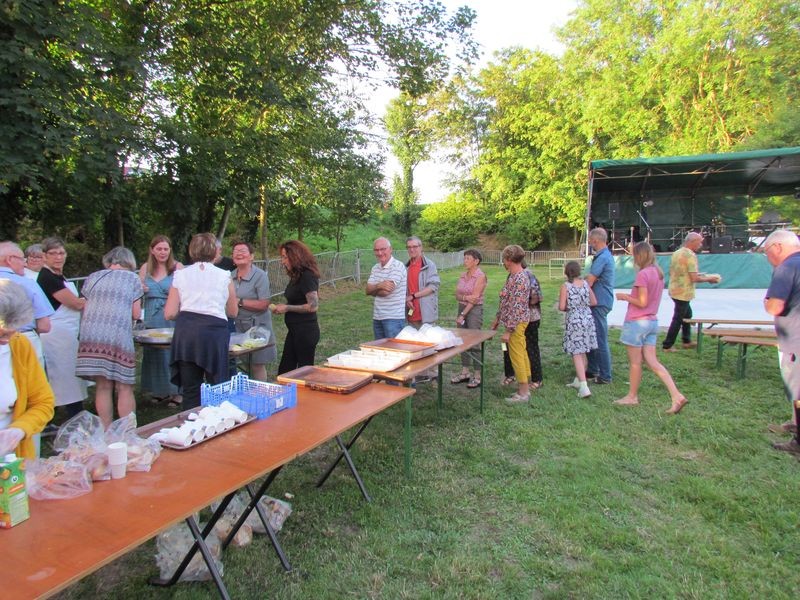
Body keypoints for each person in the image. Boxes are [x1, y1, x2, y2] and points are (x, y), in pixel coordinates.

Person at [165, 233, 238, 410]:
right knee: (217, 386)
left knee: (191, 389)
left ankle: (190, 428)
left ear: (191, 251)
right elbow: (233, 311)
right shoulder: (224, 275)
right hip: (213, 334)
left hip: (187, 333)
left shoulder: (180, 275)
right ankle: (217, 424)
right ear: (215, 252)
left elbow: (170, 313)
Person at [614, 242, 688, 414]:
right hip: (652, 322)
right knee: (653, 362)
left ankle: (632, 396)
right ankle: (676, 395)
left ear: (639, 256)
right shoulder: (658, 273)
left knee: (635, 363)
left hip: (637, 323)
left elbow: (642, 302)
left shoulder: (643, 275)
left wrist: (625, 297)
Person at [76, 247, 144, 427]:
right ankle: (127, 432)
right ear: (130, 262)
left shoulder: (93, 277)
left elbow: (85, 304)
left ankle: (106, 432)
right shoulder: (132, 278)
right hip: (117, 335)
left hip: (91, 336)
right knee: (124, 386)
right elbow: (136, 313)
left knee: (103, 386)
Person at [0, 280, 55, 459]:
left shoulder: (19, 345)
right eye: (2, 334)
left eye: (12, 332)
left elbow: (42, 403)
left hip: (10, 463)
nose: (6, 341)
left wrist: (19, 429)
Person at [37, 237, 88, 418]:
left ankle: (69, 413)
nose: (58, 257)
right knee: (63, 376)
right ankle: (74, 415)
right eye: (53, 253)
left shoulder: (59, 275)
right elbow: (74, 303)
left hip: (68, 331)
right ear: (44, 256)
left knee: (69, 375)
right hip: (56, 333)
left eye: (61, 253)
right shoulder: (47, 277)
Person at [763, 230, 800, 456]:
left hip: (796, 339)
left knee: (798, 391)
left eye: (767, 252)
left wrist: (767, 302)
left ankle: (798, 441)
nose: (768, 257)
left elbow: (774, 306)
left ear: (777, 247)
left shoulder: (787, 267)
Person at [138, 235, 183, 405]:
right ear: (152, 250)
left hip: (171, 315)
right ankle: (160, 390)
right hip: (151, 315)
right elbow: (137, 291)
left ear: (170, 250)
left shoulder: (177, 267)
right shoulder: (145, 268)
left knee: (172, 352)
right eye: (159, 249)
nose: (162, 252)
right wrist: (140, 289)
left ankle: (178, 392)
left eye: (166, 249)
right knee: (155, 352)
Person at [662, 231, 721, 352]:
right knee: (678, 318)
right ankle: (667, 345)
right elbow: (694, 278)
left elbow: (679, 271)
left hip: (674, 289)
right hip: (683, 292)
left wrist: (701, 275)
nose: (700, 245)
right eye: (699, 242)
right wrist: (710, 278)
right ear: (692, 242)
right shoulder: (690, 255)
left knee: (687, 315)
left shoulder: (677, 253)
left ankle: (686, 340)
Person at [272, 240, 320, 375]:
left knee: (304, 372)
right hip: (294, 331)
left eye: (285, 257)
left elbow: (313, 306)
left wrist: (287, 308)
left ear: (295, 256)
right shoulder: (296, 275)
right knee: (285, 370)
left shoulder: (307, 275)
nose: (282, 261)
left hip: (305, 331)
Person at [231, 240, 277, 380]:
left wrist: (239, 302)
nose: (239, 253)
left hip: (257, 326)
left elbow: (264, 303)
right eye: (236, 251)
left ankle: (260, 393)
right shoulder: (230, 276)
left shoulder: (260, 276)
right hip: (238, 325)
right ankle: (248, 391)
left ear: (252, 256)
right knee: (245, 363)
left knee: (257, 364)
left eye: (243, 251)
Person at [0, 241, 53, 362]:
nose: (25, 264)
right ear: (9, 259)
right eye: (22, 259)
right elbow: (44, 326)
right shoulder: (28, 284)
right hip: (24, 340)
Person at [499, 262, 544, 392]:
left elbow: (536, 297)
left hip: (529, 318)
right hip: (512, 320)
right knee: (507, 347)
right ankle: (510, 374)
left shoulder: (527, 275)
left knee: (530, 348)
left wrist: (521, 304)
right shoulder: (512, 276)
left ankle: (536, 379)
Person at [496, 245, 531, 404]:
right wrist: (498, 318)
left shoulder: (520, 279)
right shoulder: (512, 276)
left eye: (504, 259)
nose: (503, 262)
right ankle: (525, 386)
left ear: (509, 260)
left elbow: (516, 308)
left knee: (517, 355)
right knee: (520, 353)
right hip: (514, 321)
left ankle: (523, 392)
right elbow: (506, 301)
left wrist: (508, 331)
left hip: (516, 324)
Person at [560, 260, 597, 399]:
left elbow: (562, 306)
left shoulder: (566, 286)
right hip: (587, 320)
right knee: (583, 351)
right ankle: (578, 380)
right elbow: (594, 302)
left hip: (574, 321)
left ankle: (583, 386)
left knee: (576, 352)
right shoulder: (586, 284)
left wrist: (573, 307)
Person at [452, 249, 487, 388]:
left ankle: (477, 374)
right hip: (462, 307)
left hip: (473, 311)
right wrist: (466, 297)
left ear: (476, 261)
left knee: (474, 341)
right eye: (464, 258)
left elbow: (475, 299)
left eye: (468, 258)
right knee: (462, 340)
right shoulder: (463, 275)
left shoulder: (480, 276)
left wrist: (462, 315)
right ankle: (465, 371)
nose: (465, 261)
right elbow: (457, 295)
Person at [585, 227, 615, 384]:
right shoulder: (604, 256)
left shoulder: (602, 257)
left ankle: (605, 375)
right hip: (598, 301)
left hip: (599, 302)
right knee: (592, 336)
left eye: (590, 241)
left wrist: (575, 286)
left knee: (600, 339)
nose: (590, 243)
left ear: (595, 240)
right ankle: (592, 369)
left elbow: (590, 281)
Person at [366, 237, 407, 340]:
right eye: (376, 250)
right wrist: (379, 285)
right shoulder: (375, 268)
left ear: (390, 249)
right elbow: (367, 290)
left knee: (395, 352)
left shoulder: (398, 266)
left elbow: (386, 292)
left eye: (383, 249)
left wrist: (373, 289)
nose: (380, 253)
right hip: (377, 317)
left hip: (394, 318)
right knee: (381, 352)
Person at [405, 236, 440, 326]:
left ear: (421, 247)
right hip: (411, 312)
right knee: (411, 339)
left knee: (427, 339)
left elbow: (432, 287)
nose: (411, 250)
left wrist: (412, 296)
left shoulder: (429, 265)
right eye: (409, 247)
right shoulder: (406, 267)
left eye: (415, 247)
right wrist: (407, 300)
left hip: (426, 314)